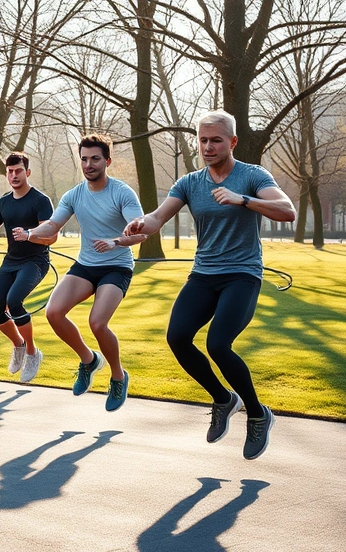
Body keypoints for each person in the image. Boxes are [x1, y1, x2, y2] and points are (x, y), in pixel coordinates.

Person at [125, 110, 296, 460]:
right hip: (204, 275)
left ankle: (258, 413)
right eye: (202, 140)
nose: (207, 146)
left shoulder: (252, 175)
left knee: (218, 343)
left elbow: (287, 210)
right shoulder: (190, 183)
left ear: (232, 142)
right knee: (177, 337)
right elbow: (158, 217)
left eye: (216, 140)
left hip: (242, 274)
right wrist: (141, 224)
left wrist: (242, 199)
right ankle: (223, 399)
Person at [25, 134, 146, 412]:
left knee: (97, 323)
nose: (88, 164)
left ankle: (118, 376)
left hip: (116, 265)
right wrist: (31, 232)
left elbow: (140, 233)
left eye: (95, 159)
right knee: (53, 312)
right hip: (86, 265)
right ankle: (89, 360)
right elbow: (52, 226)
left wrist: (116, 241)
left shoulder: (122, 192)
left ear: (107, 161)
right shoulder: (74, 194)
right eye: (84, 159)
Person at [0, 151, 55, 383]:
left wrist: (29, 235)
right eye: (10, 172)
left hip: (35, 261)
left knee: (15, 300)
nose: (14, 175)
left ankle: (32, 352)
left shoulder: (40, 201)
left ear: (27, 172)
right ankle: (18, 344)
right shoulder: (4, 202)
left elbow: (51, 235)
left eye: (18, 171)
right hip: (11, 262)